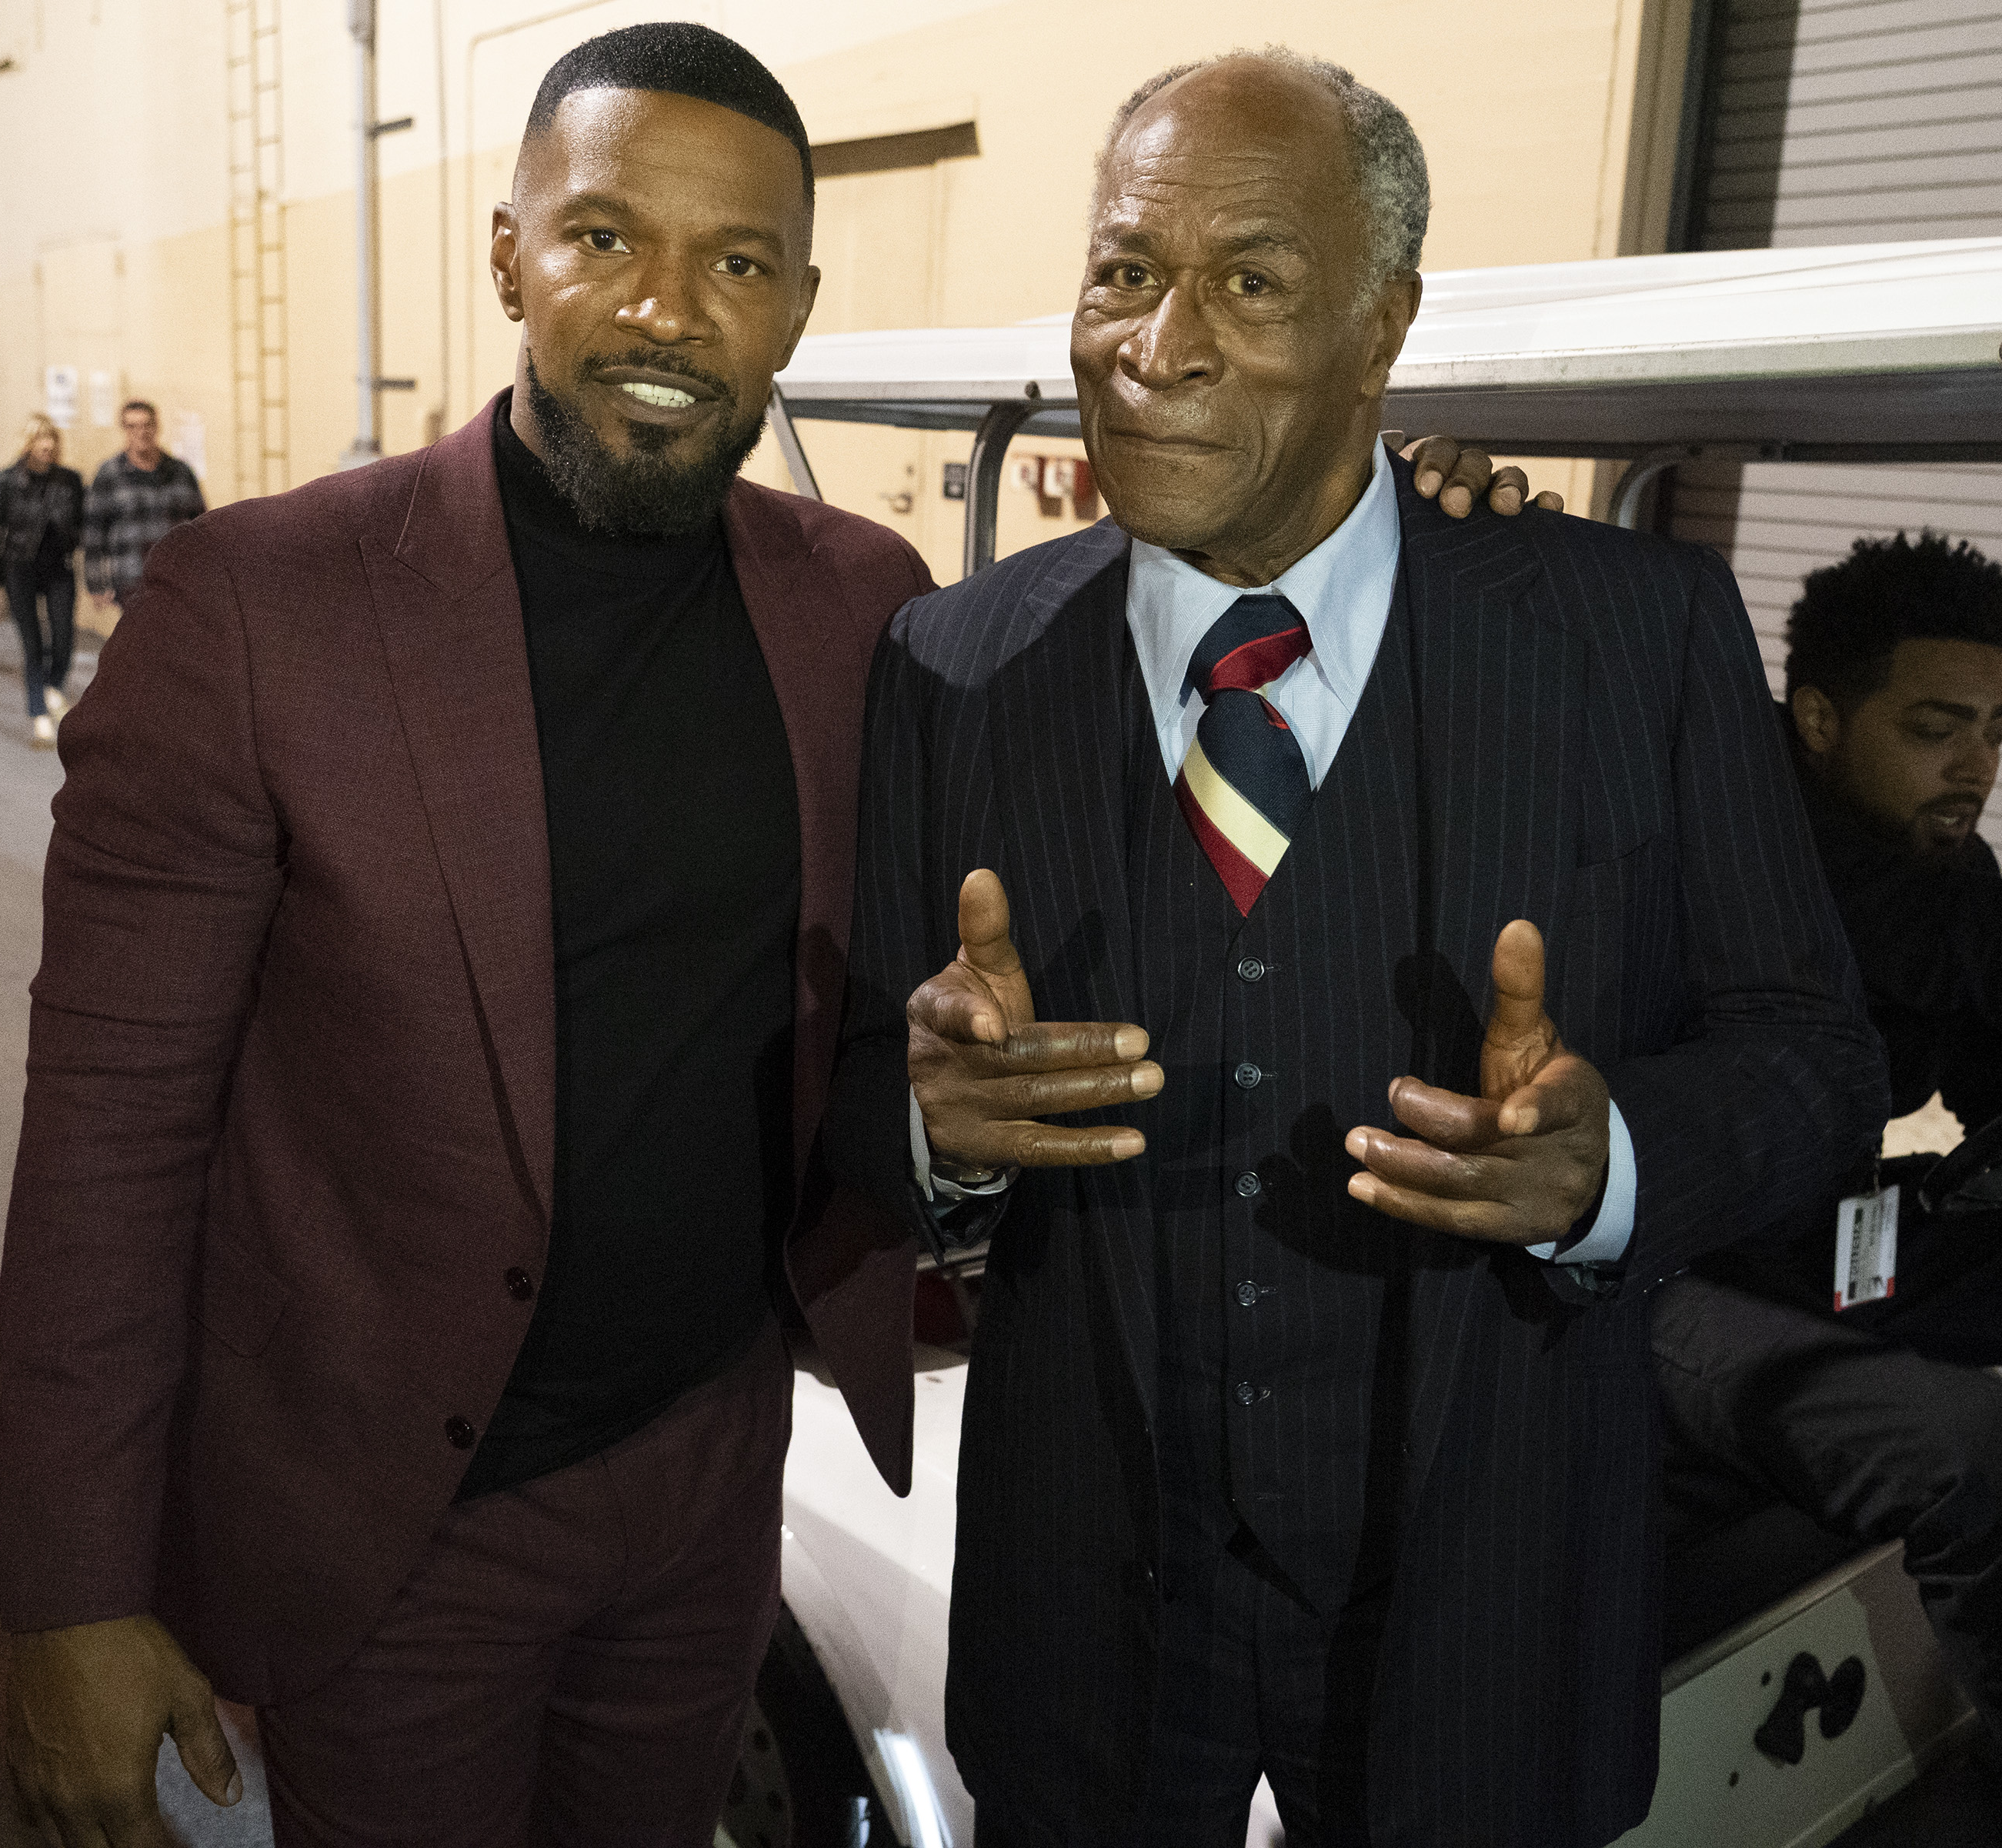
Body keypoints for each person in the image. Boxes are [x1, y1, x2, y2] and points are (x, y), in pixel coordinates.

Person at [0, 25, 1540, 1848]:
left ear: (796, 304)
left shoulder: (856, 605)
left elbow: (1151, 700)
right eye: (601, 240)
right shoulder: (257, 609)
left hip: (713, 1479)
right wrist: (72, 1592)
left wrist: (1392, 522)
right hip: (399, 1524)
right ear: (508, 254)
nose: (663, 309)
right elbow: (110, 1131)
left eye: (733, 264)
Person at [823, 49, 1889, 1847]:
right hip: (1090, 1631)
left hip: (1482, 1619)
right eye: (1118, 270)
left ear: (1382, 325)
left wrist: (1607, 1163)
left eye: (1247, 282)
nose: (1150, 344)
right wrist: (926, 1124)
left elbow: (1817, 1063)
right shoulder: (952, 667)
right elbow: (848, 1112)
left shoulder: (1634, 641)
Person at [1658, 529, 2002, 1740]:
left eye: (1995, 732)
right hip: (1663, 1278)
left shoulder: (1944, 873)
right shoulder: (1696, 846)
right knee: (1969, 1453)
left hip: (1829, 1238)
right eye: (1934, 728)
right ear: (1816, 717)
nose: (1975, 766)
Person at [0, 415, 87, 748]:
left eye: (52, 438)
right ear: (28, 443)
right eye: (41, 438)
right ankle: (39, 713)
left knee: (65, 637)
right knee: (33, 645)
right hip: (19, 567)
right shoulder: (7, 480)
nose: (48, 445)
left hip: (58, 567)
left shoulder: (70, 480)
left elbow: (85, 525)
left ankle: (54, 686)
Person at [80, 398, 204, 610]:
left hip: (176, 579)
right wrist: (96, 585)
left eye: (147, 425)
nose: (141, 432)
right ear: (124, 430)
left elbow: (200, 526)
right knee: (143, 642)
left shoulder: (180, 472)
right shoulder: (109, 475)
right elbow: (93, 534)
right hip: (130, 580)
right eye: (132, 426)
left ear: (157, 427)